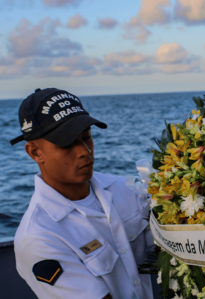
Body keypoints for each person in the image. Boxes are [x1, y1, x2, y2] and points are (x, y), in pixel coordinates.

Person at [10, 88, 155, 299]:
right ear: (35, 152)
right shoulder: (38, 238)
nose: (84, 151)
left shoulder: (126, 189)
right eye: (67, 144)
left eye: (87, 137)